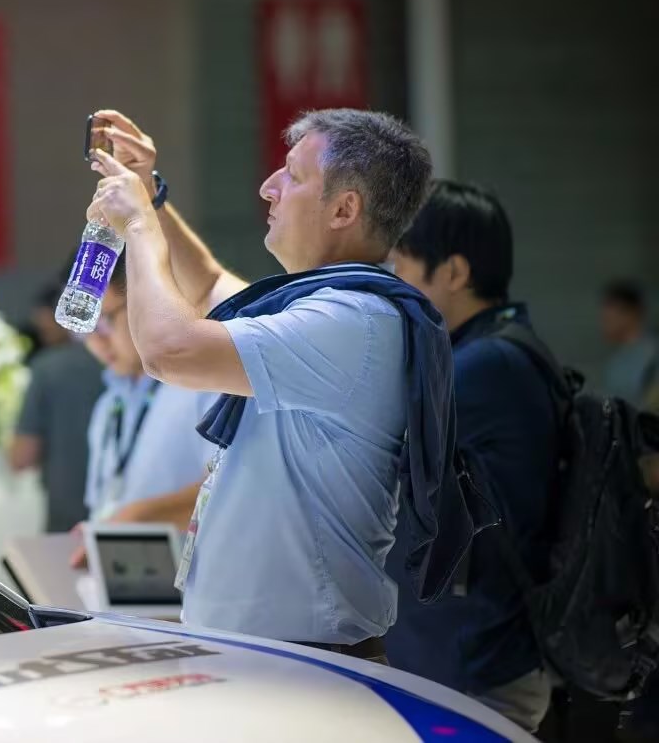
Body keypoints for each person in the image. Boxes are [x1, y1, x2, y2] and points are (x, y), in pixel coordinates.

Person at [85, 108, 466, 662]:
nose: (269, 187)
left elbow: (170, 350)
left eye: (292, 174)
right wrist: (153, 196)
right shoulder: (327, 307)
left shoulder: (353, 320)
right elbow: (208, 286)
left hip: (305, 658)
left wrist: (140, 225)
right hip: (274, 652)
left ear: (344, 209)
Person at [384, 181, 556, 731]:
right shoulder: (496, 350)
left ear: (454, 272)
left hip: (476, 673)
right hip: (470, 660)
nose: (392, 282)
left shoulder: (487, 364)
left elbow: (375, 439)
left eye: (402, 264)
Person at [80, 256, 211, 523]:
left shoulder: (205, 387)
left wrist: (140, 517)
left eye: (103, 322)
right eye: (82, 328)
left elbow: (230, 490)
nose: (96, 342)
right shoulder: (108, 405)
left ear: (145, 302)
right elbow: (102, 504)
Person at [11, 274, 106, 532]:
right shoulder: (123, 363)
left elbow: (22, 455)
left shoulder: (46, 368)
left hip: (66, 512)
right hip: (126, 517)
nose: (44, 335)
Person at [600, 280, 658, 407]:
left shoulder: (652, 356)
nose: (604, 325)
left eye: (609, 319)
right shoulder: (617, 361)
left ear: (631, 314)